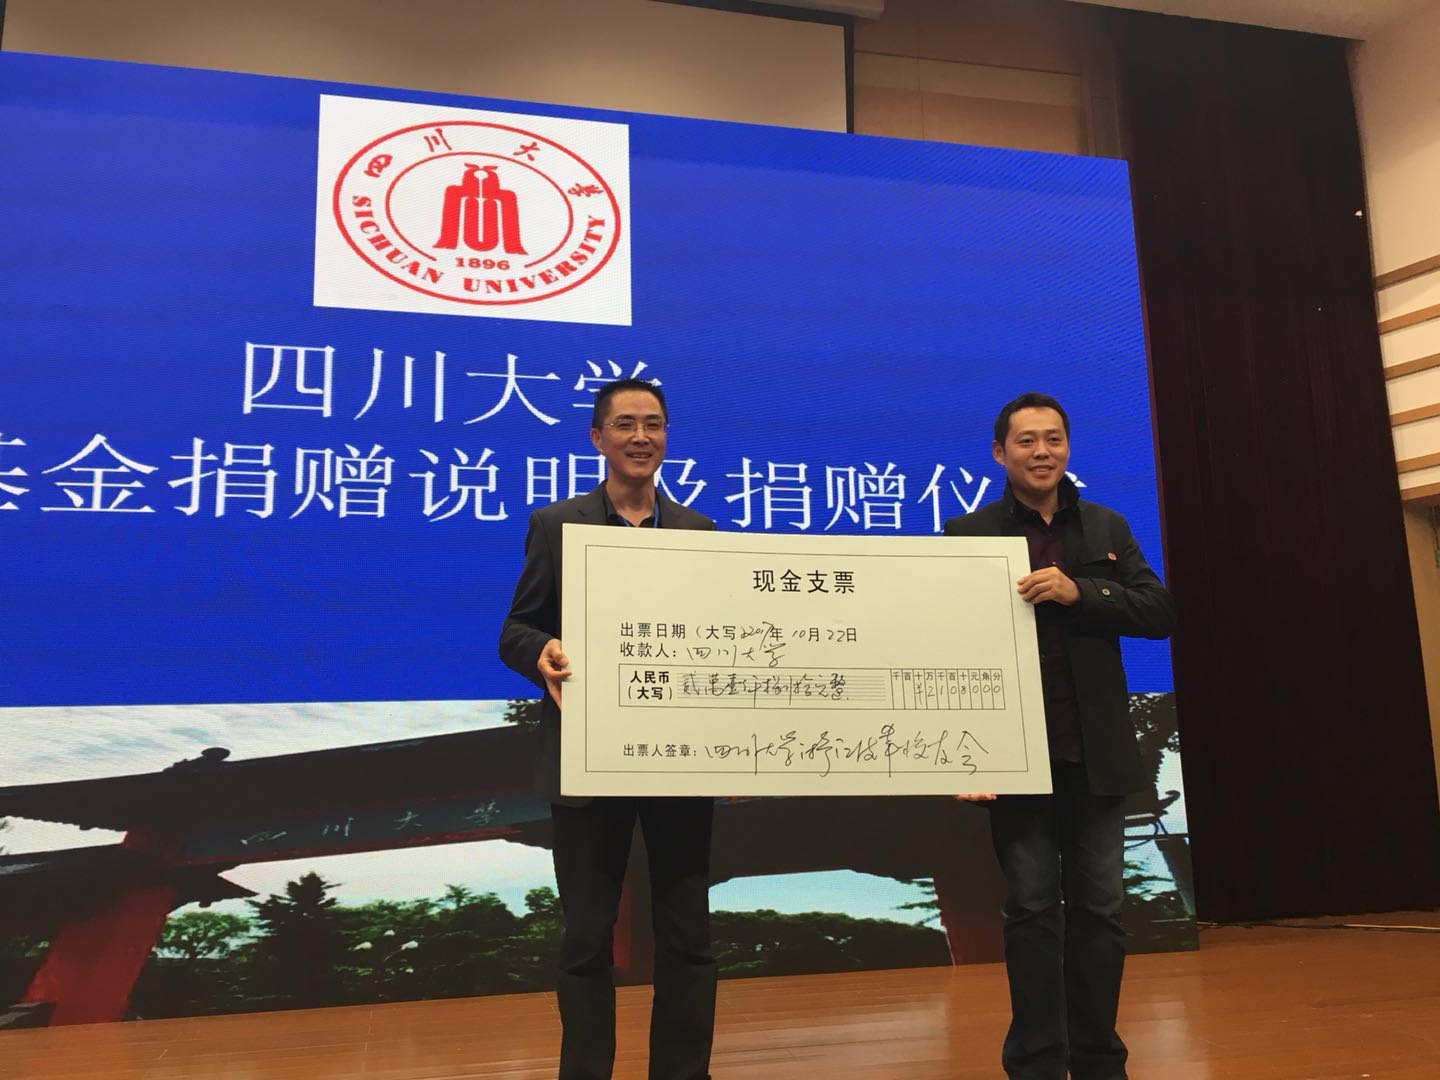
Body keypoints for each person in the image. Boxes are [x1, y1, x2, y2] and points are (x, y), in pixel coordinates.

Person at [945, 392, 1176, 1080]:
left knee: (1101, 911)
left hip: (1093, 752)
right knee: (1030, 911)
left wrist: (1084, 593)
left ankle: (1100, 1059)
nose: (1041, 452)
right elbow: (947, 645)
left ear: (1068, 447)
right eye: (1026, 441)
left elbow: (1158, 610)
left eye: (1053, 439)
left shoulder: (1106, 524)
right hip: (1015, 757)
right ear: (999, 452)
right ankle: (1037, 1063)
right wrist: (961, 753)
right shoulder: (968, 534)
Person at [499, 378, 717, 1080]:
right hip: (587, 761)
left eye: (653, 424)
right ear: (597, 438)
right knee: (587, 940)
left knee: (687, 937)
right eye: (625, 424)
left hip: (679, 760)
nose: (640, 437)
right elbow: (516, 629)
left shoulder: (699, 533)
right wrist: (542, 652)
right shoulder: (556, 525)